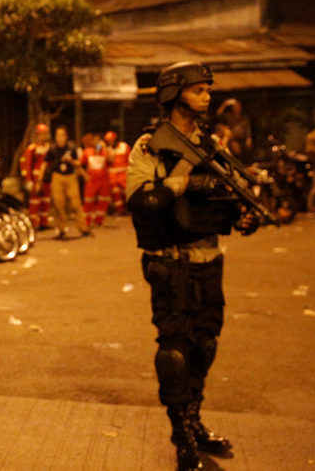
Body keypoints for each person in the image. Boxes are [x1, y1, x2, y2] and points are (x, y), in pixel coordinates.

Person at [127, 62, 259, 471]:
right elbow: (140, 199)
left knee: (206, 344)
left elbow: (229, 199)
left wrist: (243, 217)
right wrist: (181, 180)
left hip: (209, 259)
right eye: (198, 89)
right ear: (175, 93)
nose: (207, 96)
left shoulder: (213, 145)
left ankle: (194, 420)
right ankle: (182, 435)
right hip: (171, 262)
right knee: (175, 351)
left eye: (207, 89)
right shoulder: (150, 145)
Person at [44, 126, 90, 239]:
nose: (59, 138)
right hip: (57, 176)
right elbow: (45, 163)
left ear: (66, 136)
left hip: (70, 177)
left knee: (76, 204)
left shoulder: (72, 148)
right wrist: (40, 179)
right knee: (58, 204)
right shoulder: (52, 149)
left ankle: (83, 227)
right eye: (57, 135)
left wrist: (76, 165)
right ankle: (61, 229)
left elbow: (78, 164)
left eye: (61, 135)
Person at [20, 123, 52, 228]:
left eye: (45, 134)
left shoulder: (49, 148)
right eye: (41, 134)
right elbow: (26, 164)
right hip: (35, 178)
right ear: (37, 135)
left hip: (47, 178)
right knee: (35, 201)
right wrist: (28, 179)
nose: (43, 136)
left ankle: (44, 223)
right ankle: (33, 224)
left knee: (46, 201)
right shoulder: (32, 148)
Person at [80, 133, 110, 227]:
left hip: (103, 180)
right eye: (95, 140)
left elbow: (112, 160)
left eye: (98, 140)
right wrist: (84, 175)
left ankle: (98, 220)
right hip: (92, 180)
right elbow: (79, 164)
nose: (97, 143)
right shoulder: (87, 151)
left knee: (103, 200)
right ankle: (86, 221)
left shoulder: (104, 151)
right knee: (88, 201)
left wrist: (105, 148)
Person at [104, 131, 129, 215]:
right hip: (113, 176)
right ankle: (120, 211)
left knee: (126, 193)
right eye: (108, 141)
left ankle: (128, 209)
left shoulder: (124, 146)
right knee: (115, 194)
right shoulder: (107, 150)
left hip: (124, 174)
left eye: (112, 140)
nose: (110, 142)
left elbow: (130, 159)